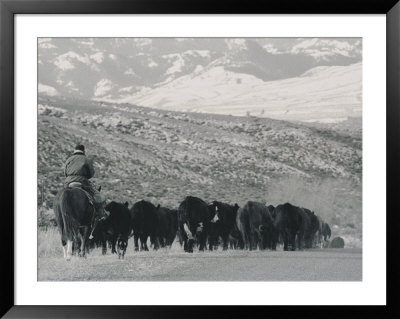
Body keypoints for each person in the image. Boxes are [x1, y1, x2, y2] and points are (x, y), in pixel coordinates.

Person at [64, 144, 105, 219]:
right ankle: (101, 214)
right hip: (82, 182)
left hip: (69, 182)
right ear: (83, 151)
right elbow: (91, 173)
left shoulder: (69, 159)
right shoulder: (86, 159)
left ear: (74, 150)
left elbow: (65, 173)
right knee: (97, 195)